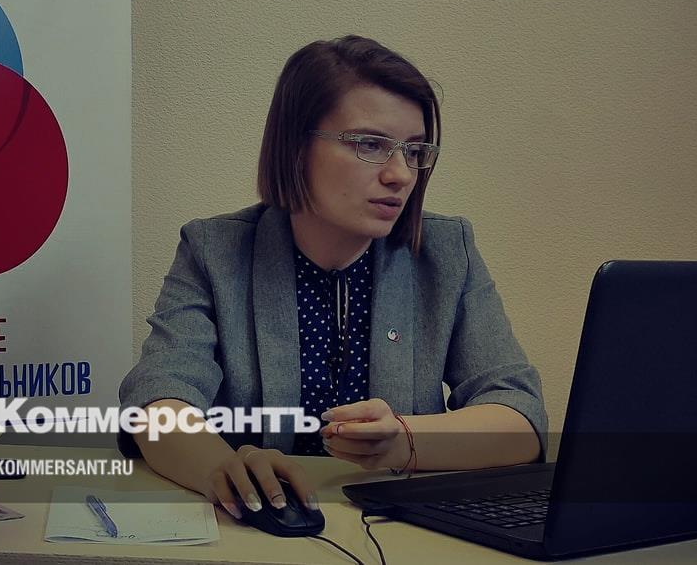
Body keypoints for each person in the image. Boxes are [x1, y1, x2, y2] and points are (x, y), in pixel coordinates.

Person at [118, 35, 546, 521]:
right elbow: (158, 401)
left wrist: (404, 440)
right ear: (296, 146)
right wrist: (223, 469)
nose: (401, 175)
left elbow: (521, 416)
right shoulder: (215, 250)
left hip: (398, 532)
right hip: (256, 530)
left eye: (414, 151)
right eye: (370, 144)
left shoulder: (447, 252)